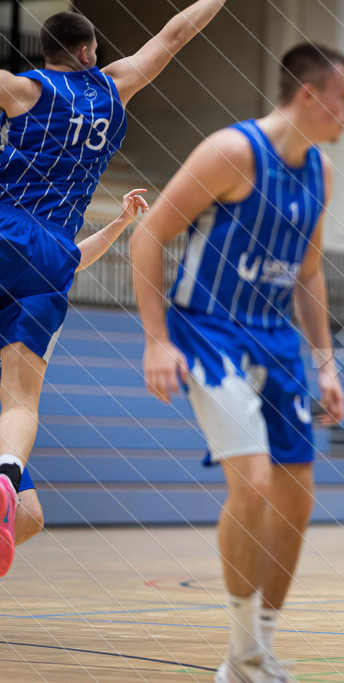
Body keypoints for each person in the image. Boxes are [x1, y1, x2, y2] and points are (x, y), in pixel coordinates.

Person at [131, 43, 344, 682]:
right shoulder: (232, 152)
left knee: (297, 499)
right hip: (208, 331)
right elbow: (149, 236)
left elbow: (309, 273)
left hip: (275, 339)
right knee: (252, 483)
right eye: (343, 96)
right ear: (309, 95)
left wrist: (327, 365)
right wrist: (154, 340)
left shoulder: (322, 172)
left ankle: (256, 651)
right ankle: (242, 651)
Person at [0, 2, 227, 577]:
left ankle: (7, 485)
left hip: (15, 224)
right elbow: (175, 34)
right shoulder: (113, 86)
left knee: (29, 518)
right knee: (22, 399)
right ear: (88, 52)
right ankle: (4, 476)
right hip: (50, 246)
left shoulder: (25, 91)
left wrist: (121, 225)